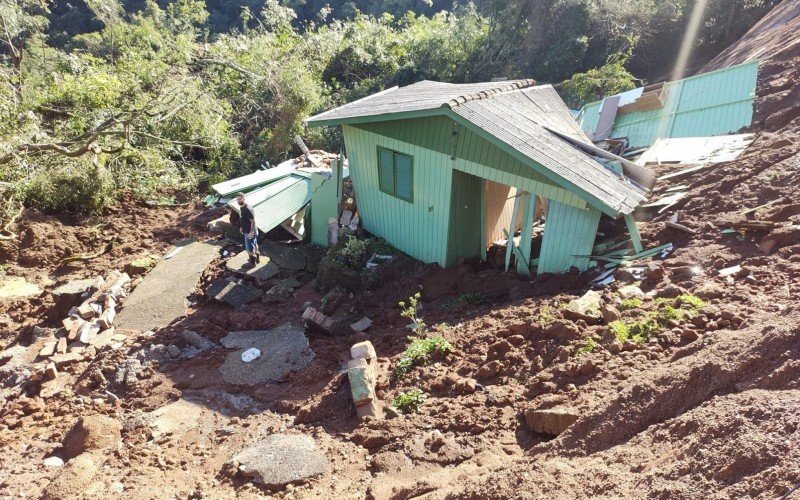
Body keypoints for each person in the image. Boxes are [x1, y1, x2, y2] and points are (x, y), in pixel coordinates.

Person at [236, 192, 260, 267]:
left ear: (244, 198)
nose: (238, 201)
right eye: (237, 199)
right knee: (255, 244)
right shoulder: (242, 207)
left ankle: (252, 263)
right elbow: (244, 219)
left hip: (249, 232)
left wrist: (251, 232)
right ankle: (257, 259)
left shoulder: (247, 209)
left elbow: (253, 221)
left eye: (240, 199)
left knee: (249, 248)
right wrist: (242, 227)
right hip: (248, 230)